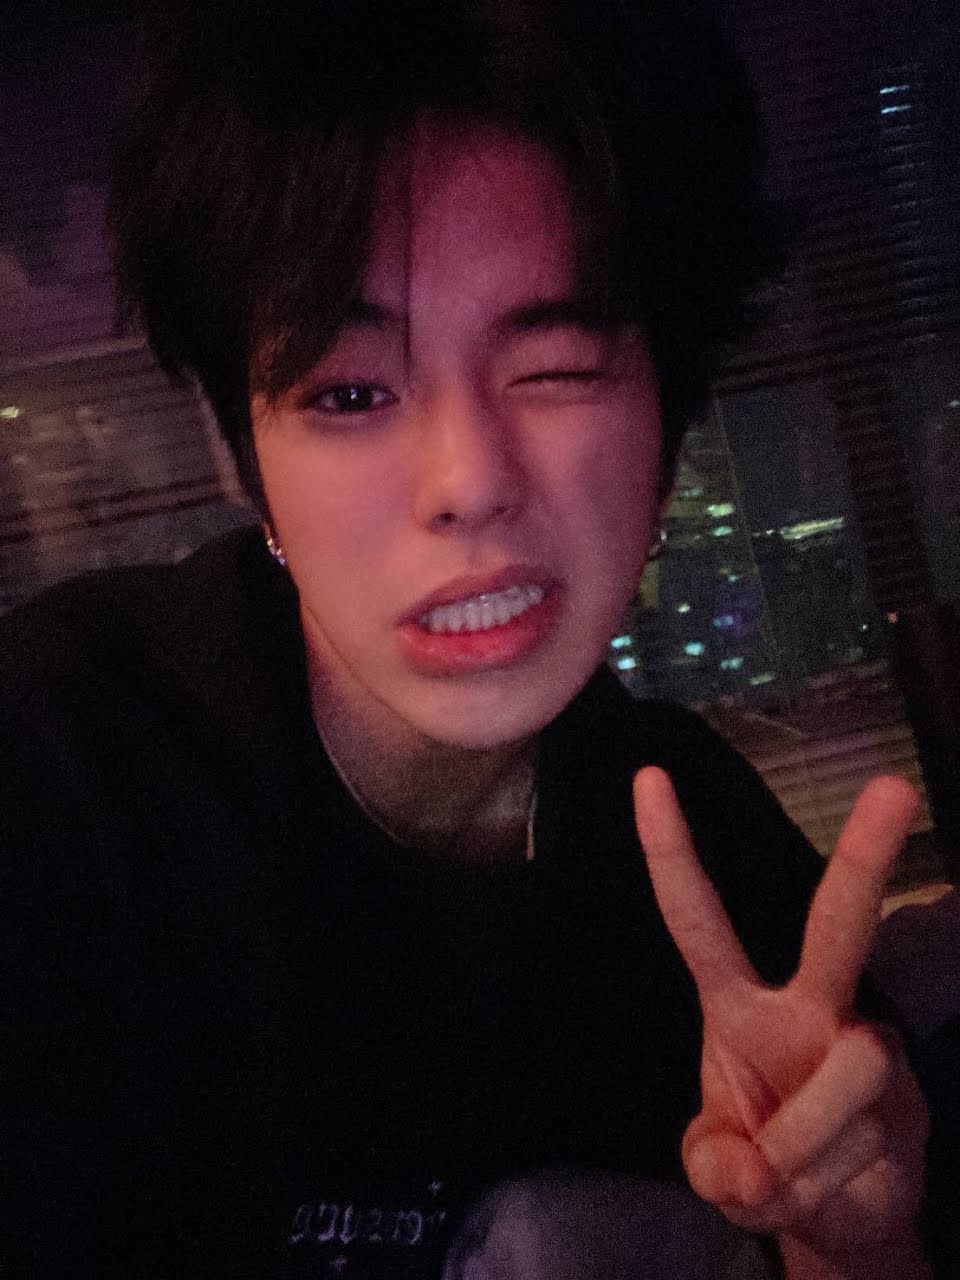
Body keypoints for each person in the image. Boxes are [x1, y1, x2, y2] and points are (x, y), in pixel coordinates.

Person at [1, 1, 945, 1275]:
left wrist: (848, 1239)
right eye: (350, 392)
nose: (469, 480)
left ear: (668, 425)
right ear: (240, 458)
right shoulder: (57, 787)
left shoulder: (711, 862)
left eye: (552, 368)